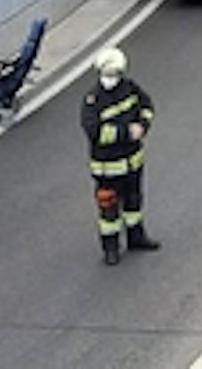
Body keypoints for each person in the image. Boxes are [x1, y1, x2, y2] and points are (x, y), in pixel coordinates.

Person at [81, 47, 160, 266]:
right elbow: (95, 132)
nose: (112, 79)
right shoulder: (93, 100)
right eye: (109, 75)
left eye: (115, 74)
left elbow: (147, 106)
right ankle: (111, 248)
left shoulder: (130, 88)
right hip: (107, 168)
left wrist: (143, 126)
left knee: (133, 203)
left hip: (132, 162)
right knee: (109, 209)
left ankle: (136, 238)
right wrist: (127, 132)